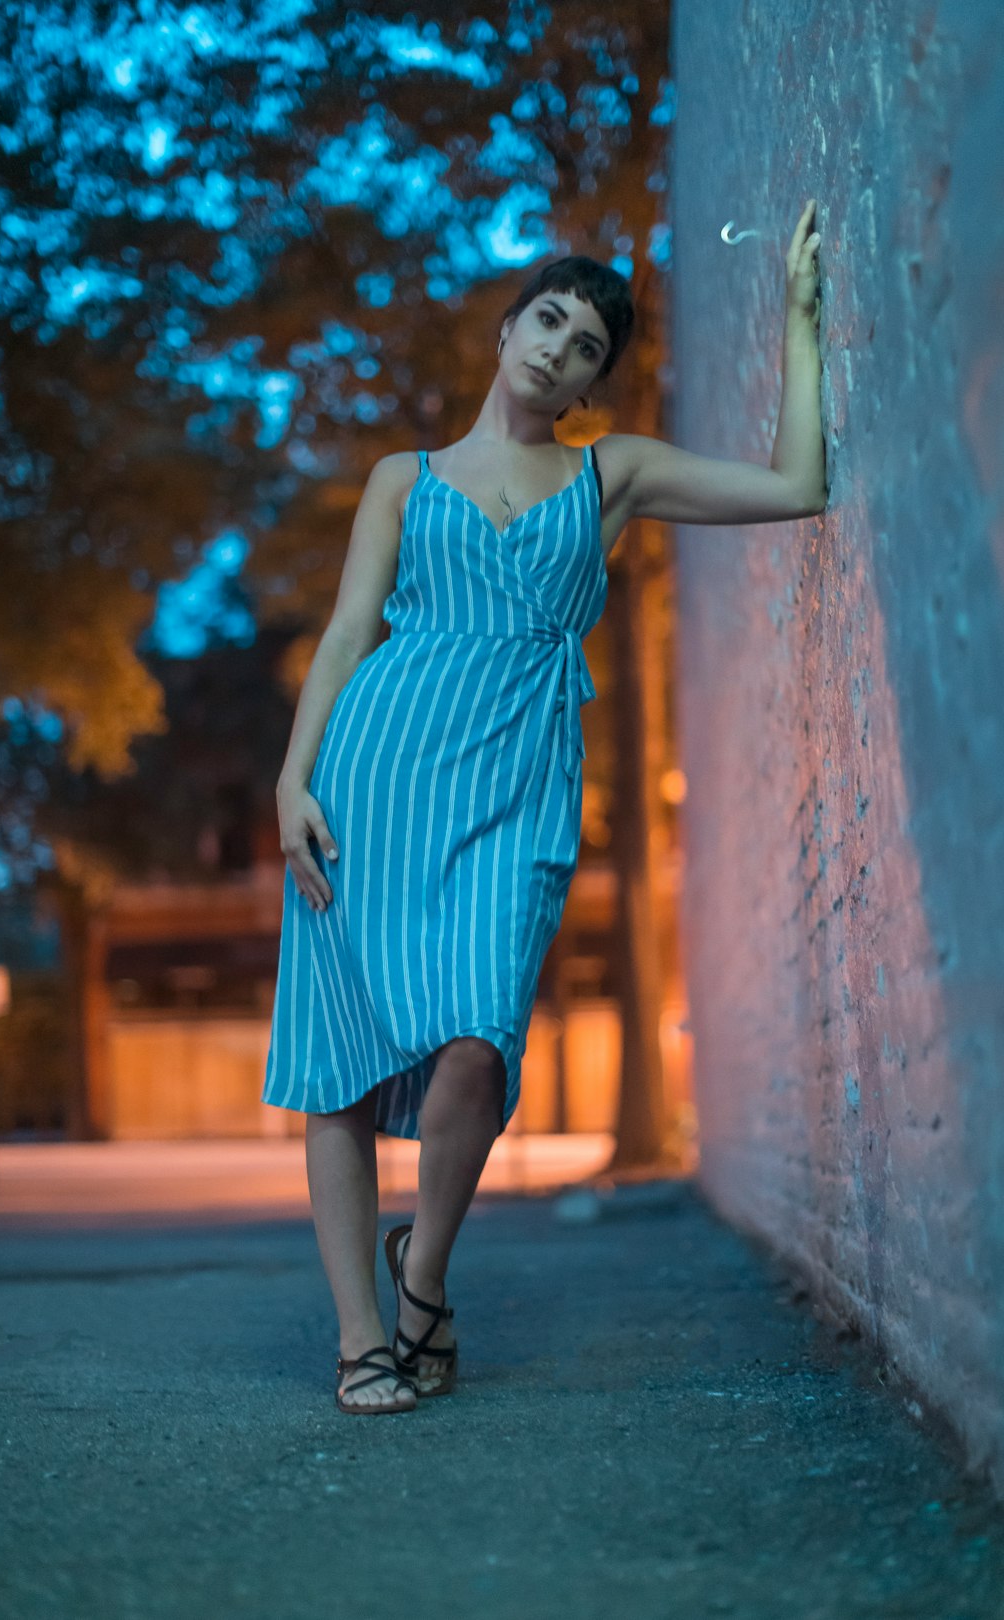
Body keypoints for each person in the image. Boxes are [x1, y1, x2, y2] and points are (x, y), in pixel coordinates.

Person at [267, 203, 826, 1414]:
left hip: (520, 789)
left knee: (480, 1047)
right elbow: (351, 631)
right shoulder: (401, 481)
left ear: (590, 383)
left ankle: (421, 1280)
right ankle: (364, 1342)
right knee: (343, 1073)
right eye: (549, 320)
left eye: (585, 347)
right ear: (508, 327)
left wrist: (798, 319)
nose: (558, 349)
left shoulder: (607, 475)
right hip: (374, 782)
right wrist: (290, 780)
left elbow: (796, 485)